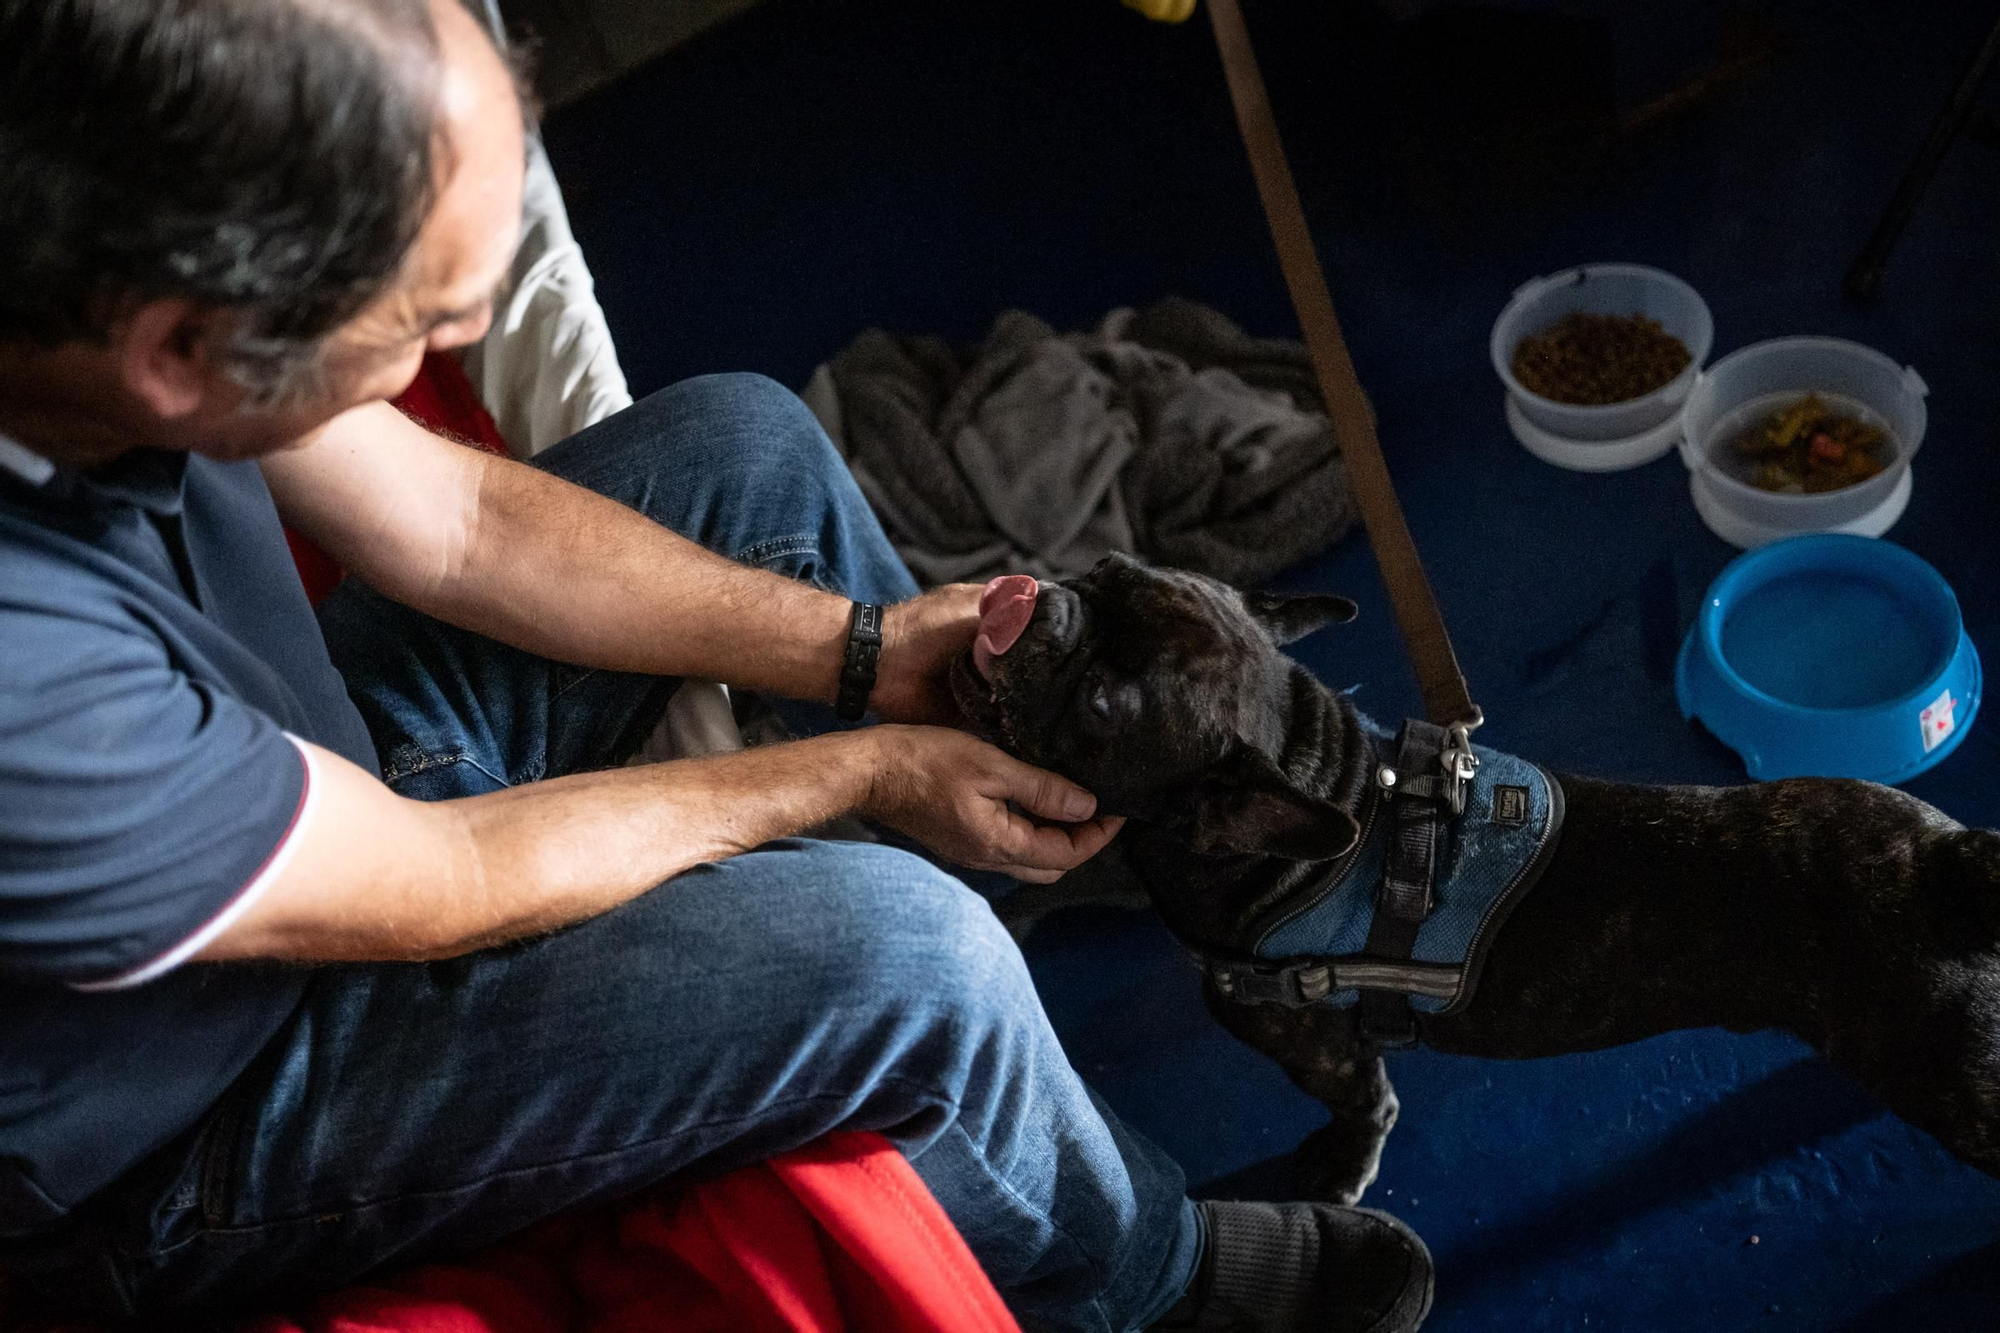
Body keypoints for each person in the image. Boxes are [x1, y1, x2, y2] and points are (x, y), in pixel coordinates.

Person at [0, 2, 1433, 1329]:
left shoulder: (103, 194)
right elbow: (452, 878)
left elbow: (459, 515)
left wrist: (869, 655)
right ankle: (1156, 1277)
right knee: (905, 957)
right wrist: (855, 763)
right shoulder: (28, 690)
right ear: (181, 357)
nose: (467, 337)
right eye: (419, 318)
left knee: (748, 456)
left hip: (303, 763)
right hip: (214, 1103)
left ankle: (1023, 836)